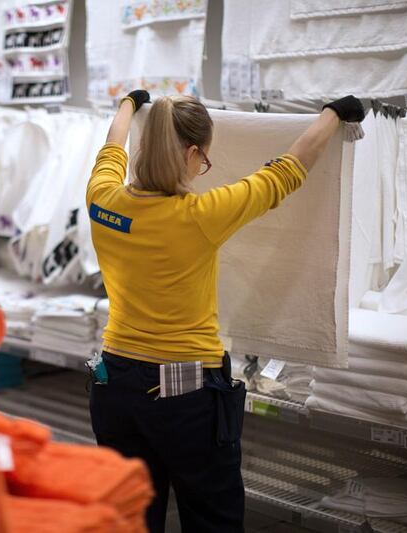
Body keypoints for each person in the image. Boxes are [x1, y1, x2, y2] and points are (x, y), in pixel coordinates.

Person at [86, 90, 365, 532]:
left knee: (128, 517)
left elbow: (111, 149)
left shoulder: (102, 200)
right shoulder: (199, 215)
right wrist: (334, 115)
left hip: (114, 384)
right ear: (192, 153)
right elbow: (284, 173)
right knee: (210, 519)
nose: (203, 169)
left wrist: (127, 105)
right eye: (205, 160)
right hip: (185, 396)